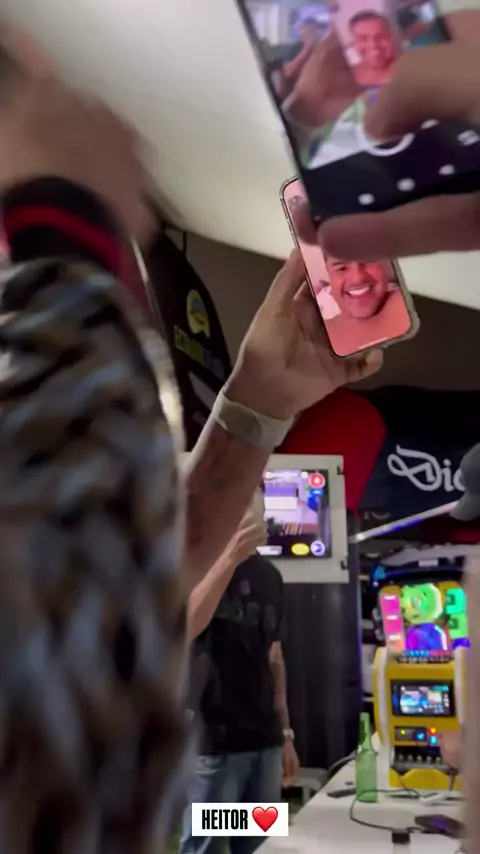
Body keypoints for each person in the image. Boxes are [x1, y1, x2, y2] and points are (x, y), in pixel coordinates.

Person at [0, 24, 382, 852]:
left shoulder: (264, 577)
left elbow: (125, 599)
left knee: (260, 838)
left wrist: (256, 405)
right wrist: (61, 225)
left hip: (232, 755)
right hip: (202, 759)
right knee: (217, 842)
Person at [181, 503, 299, 854]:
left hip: (265, 743)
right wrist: (230, 556)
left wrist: (286, 734)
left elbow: (274, 659)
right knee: (207, 848)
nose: (249, 515)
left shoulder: (271, 577)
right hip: (215, 745)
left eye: (255, 508)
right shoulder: (197, 564)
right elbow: (185, 627)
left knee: (259, 847)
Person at [348, 11, 400, 88]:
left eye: (380, 37)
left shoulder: (411, 69)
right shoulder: (349, 76)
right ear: (354, 43)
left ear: (391, 37)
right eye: (363, 39)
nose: (373, 45)